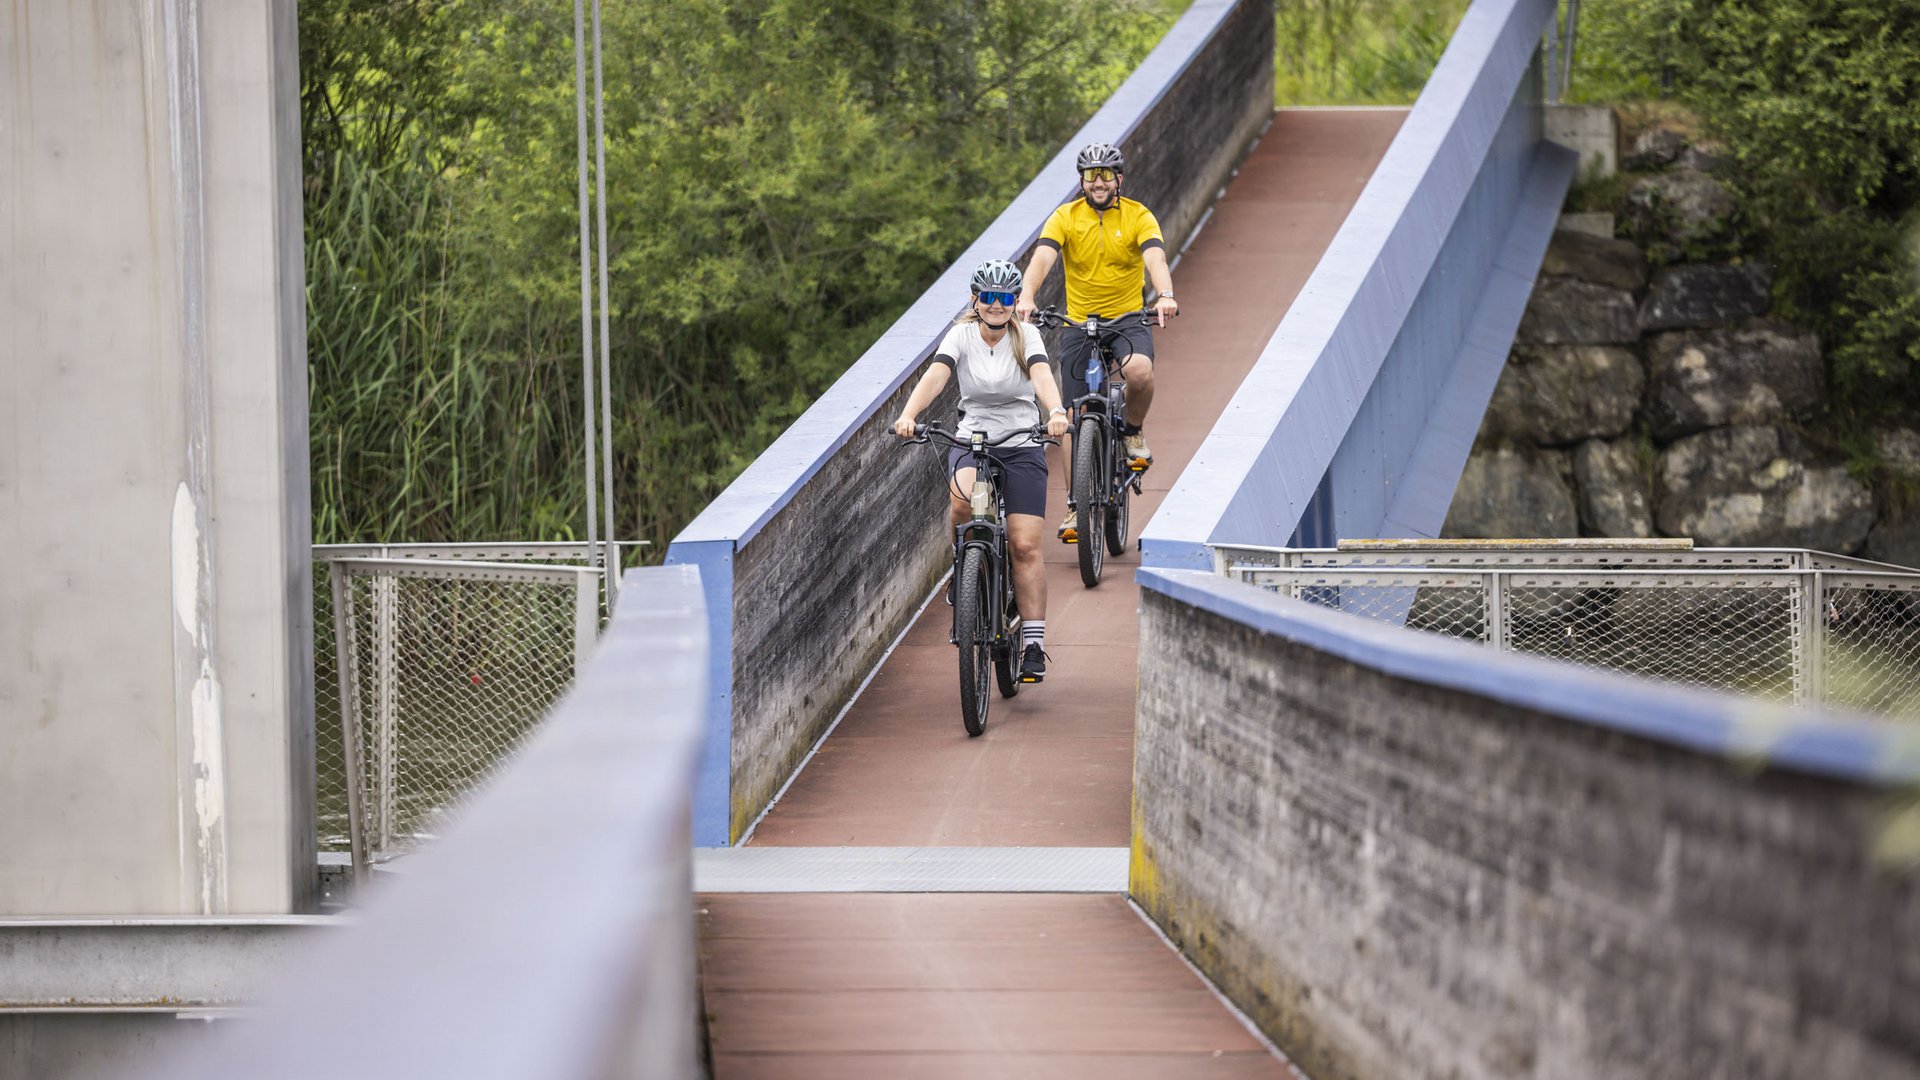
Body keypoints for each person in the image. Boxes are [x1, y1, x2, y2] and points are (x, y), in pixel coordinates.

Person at [894, 260, 1073, 682]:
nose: (997, 305)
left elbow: (1043, 376)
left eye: (1006, 298)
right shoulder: (960, 335)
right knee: (961, 504)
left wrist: (1057, 411)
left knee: (1025, 546)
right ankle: (966, 567)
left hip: (1020, 443)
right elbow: (937, 375)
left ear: (1014, 302)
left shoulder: (1025, 334)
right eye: (988, 297)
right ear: (975, 300)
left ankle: (1032, 644)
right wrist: (908, 414)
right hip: (972, 441)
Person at [1015, 141, 1179, 542]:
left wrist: (1166, 294)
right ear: (1082, 181)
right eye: (1091, 175)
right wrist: (1027, 297)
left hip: (1127, 319)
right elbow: (1043, 257)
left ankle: (1133, 432)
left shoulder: (1138, 216)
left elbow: (1155, 257)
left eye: (1106, 174)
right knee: (1071, 419)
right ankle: (1076, 506)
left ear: (1119, 179)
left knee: (1138, 371)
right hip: (1077, 322)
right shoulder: (1066, 217)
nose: (1099, 182)